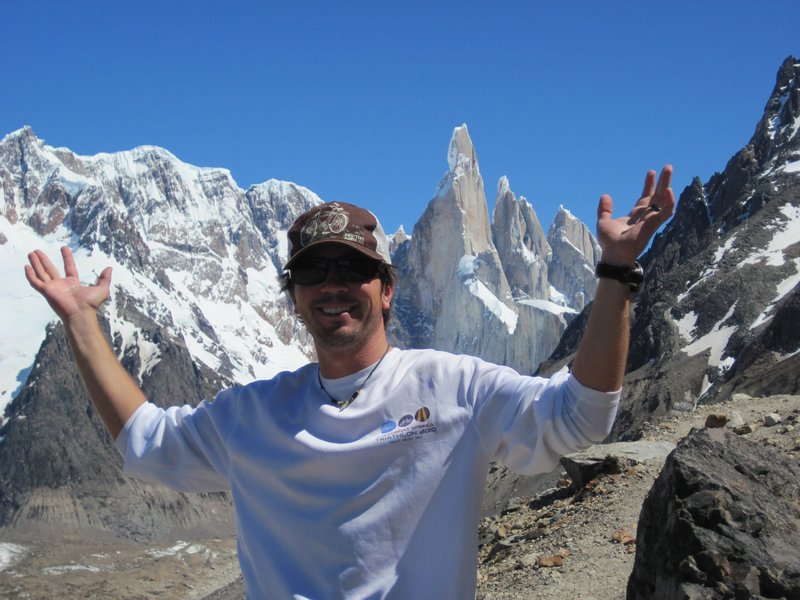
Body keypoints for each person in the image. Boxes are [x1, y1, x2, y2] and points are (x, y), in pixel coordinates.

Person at [25, 166, 675, 599]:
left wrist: (617, 274)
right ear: (295, 297)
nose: (333, 285)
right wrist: (81, 320)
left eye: (352, 268)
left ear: (388, 290)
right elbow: (145, 443)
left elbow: (582, 418)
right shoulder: (253, 414)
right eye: (313, 273)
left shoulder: (456, 388)